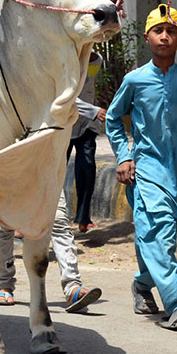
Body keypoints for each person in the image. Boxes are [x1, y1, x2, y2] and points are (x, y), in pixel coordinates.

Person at [106, 3, 177, 331]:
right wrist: (124, 157)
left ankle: (142, 285)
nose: (165, 37)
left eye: (171, 32)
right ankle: (175, 302)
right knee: (159, 232)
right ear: (147, 37)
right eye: (158, 31)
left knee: (157, 235)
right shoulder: (135, 80)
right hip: (147, 169)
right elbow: (113, 117)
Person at [0, 191, 102, 312]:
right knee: (4, 224)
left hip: (49, 175)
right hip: (10, 177)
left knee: (58, 220)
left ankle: (72, 287)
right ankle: (4, 286)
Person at [67, 51, 106, 233]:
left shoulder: (95, 60)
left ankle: (83, 217)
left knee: (87, 168)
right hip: (63, 125)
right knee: (54, 171)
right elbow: (65, 96)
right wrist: (94, 111)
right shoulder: (63, 60)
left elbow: (87, 89)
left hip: (85, 125)